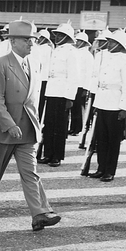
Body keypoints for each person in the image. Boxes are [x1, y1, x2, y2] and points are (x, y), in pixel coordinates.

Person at [0, 19, 61, 231]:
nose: (31, 44)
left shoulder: (34, 64)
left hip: (27, 130)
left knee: (31, 173)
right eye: (26, 40)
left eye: (32, 40)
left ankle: (40, 213)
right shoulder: (0, 63)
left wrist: (36, 126)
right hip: (5, 131)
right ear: (13, 41)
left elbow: (34, 99)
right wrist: (9, 124)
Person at [89, 30, 126, 181]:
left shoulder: (125, 60)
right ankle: (101, 167)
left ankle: (110, 171)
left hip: (116, 104)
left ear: (119, 44)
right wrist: (97, 102)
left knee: (113, 140)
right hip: (103, 101)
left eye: (111, 42)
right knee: (101, 138)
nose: (108, 44)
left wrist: (124, 108)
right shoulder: (106, 57)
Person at [39, 21, 80, 167]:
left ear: (68, 36)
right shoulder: (55, 50)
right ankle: (48, 153)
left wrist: (70, 97)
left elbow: (74, 76)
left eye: (61, 35)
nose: (57, 37)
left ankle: (57, 156)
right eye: (56, 34)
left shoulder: (71, 52)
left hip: (63, 93)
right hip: (52, 90)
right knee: (49, 124)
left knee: (59, 126)